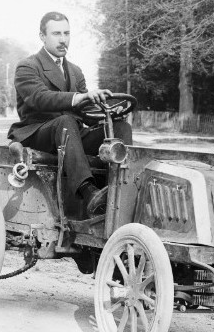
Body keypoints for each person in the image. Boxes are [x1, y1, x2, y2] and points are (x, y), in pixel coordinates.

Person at [8, 11, 133, 216]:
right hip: (39, 133)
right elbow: (40, 98)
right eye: (56, 34)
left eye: (67, 33)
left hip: (70, 133)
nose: (63, 39)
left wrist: (109, 111)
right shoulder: (27, 66)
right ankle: (89, 192)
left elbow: (85, 110)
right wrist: (78, 97)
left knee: (121, 127)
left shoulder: (75, 71)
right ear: (42, 36)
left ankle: (119, 189)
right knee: (65, 120)